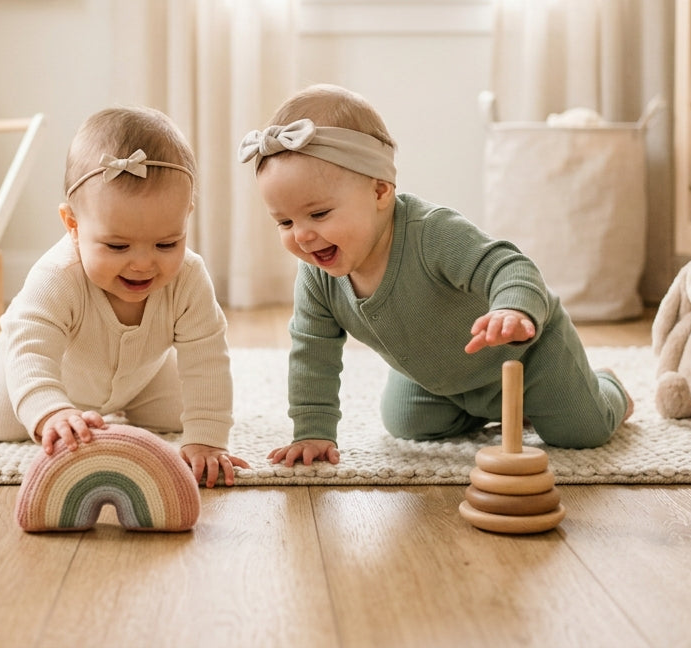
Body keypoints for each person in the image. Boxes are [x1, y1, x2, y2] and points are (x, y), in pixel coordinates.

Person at [237, 84, 632, 467]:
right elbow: (312, 353)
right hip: (439, 381)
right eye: (284, 221)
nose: (302, 235)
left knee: (583, 430)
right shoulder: (317, 277)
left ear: (379, 192)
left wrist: (513, 309)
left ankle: (607, 387)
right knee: (407, 425)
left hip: (527, 356)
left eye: (319, 214)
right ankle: (502, 411)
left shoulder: (432, 233)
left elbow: (508, 265)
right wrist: (312, 432)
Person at [0, 106, 250, 486]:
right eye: (117, 246)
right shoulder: (57, 277)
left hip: (142, 375)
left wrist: (207, 440)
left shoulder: (189, 277)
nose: (142, 264)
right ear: (72, 225)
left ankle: (129, 402)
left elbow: (207, 359)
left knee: (188, 413)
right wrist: (51, 411)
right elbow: (34, 351)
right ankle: (50, 403)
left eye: (167, 243)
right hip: (39, 365)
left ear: (186, 216)